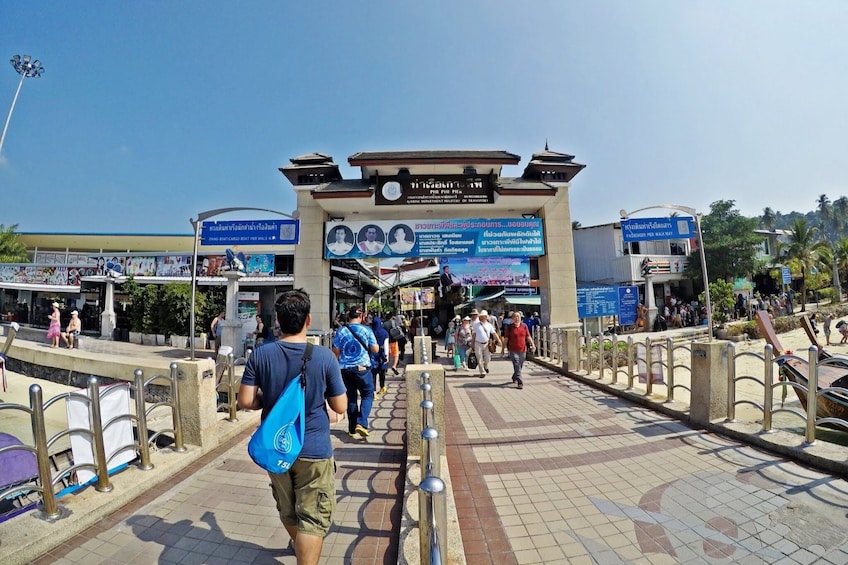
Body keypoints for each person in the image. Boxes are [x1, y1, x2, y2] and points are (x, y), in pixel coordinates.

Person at [238, 289, 346, 565]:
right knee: (313, 519)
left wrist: (270, 401)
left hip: (277, 447)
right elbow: (340, 405)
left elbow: (246, 401)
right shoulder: (324, 357)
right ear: (308, 320)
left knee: (288, 510)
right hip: (314, 448)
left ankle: (301, 545)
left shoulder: (260, 355)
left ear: (278, 320)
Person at [332, 306, 379, 438]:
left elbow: (335, 351)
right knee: (367, 394)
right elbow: (375, 349)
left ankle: (352, 429)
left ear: (349, 316)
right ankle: (362, 423)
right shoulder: (367, 330)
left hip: (345, 369)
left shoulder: (341, 331)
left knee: (351, 398)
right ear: (361, 316)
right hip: (362, 368)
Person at [506, 311, 535, 389]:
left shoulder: (524, 326)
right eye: (515, 317)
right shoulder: (510, 327)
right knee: (516, 364)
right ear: (512, 318)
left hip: (522, 349)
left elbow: (528, 336)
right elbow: (506, 338)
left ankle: (515, 376)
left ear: (520, 318)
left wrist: (532, 344)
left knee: (520, 365)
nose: (516, 318)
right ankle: (520, 382)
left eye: (518, 317)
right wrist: (502, 348)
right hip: (513, 349)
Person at [470, 309, 501, 377]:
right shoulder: (476, 325)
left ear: (486, 317)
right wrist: (472, 344)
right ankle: (482, 372)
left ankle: (485, 366)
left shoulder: (489, 325)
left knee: (487, 358)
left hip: (486, 344)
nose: (482, 317)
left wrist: (499, 340)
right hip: (478, 343)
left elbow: (494, 333)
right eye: (481, 316)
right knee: (479, 358)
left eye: (483, 316)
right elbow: (473, 335)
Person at [370, 316, 389, 396]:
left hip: (372, 354)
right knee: (382, 372)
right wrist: (387, 356)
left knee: (373, 374)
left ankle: (374, 392)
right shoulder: (384, 333)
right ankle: (382, 387)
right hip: (382, 354)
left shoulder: (370, 332)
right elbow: (386, 345)